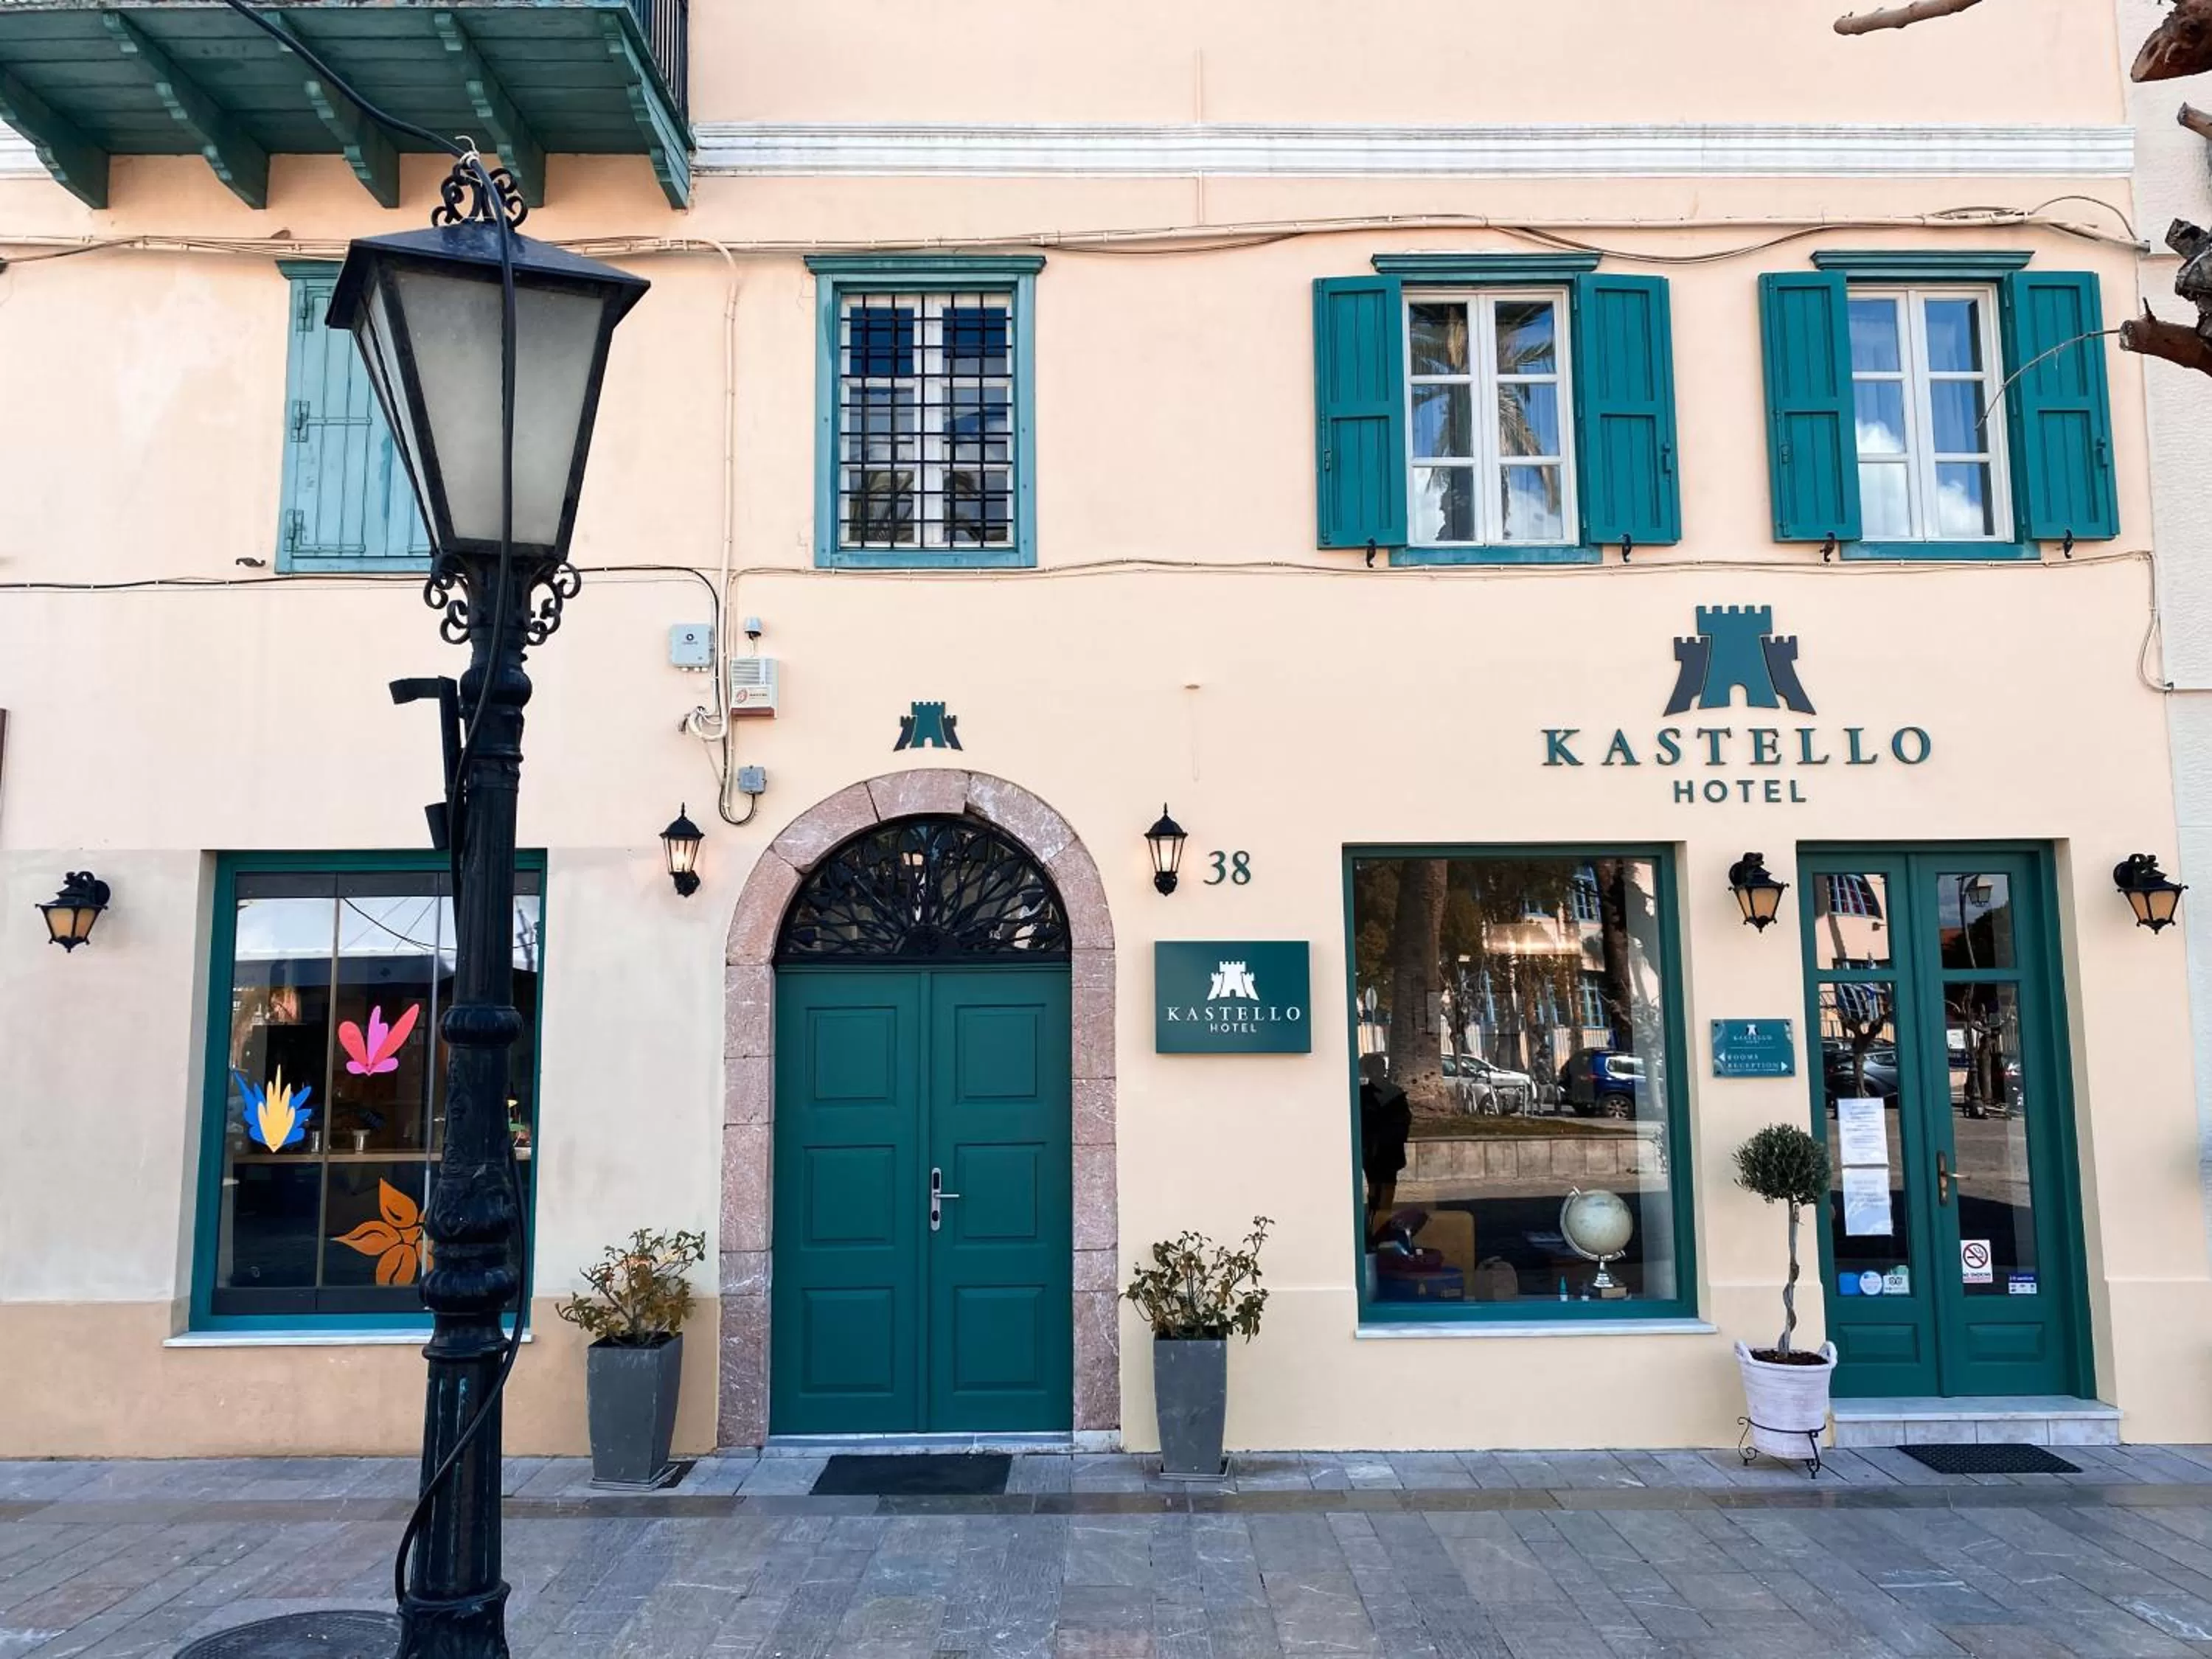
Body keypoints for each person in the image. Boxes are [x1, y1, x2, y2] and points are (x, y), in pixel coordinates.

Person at [1358, 1053, 1411, 1245]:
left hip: (1388, 1149)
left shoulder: (1394, 1093)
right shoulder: (1362, 1094)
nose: (1378, 1072)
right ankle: (1375, 1224)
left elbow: (1405, 1120)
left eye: (1380, 1068)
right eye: (1373, 1069)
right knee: (1375, 1189)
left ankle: (1382, 1226)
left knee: (1387, 1188)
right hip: (1372, 1150)